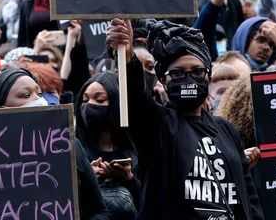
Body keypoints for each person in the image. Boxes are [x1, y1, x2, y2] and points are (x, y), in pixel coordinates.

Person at [106, 19, 264, 219]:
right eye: (178, 73)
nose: (189, 79)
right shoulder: (158, 124)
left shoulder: (227, 130)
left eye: (197, 72)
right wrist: (128, 56)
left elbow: (249, 198)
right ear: (163, 81)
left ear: (208, 76)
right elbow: (137, 99)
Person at [0, 68, 111, 219]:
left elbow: (101, 212)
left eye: (39, 93)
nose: (39, 100)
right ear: (0, 111)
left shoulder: (68, 145)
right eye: (26, 95)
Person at [76, 72, 141, 219]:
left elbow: (149, 202)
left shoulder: (139, 148)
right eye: (85, 100)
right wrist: (87, 179)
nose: (89, 106)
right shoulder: (74, 150)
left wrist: (129, 179)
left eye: (99, 100)